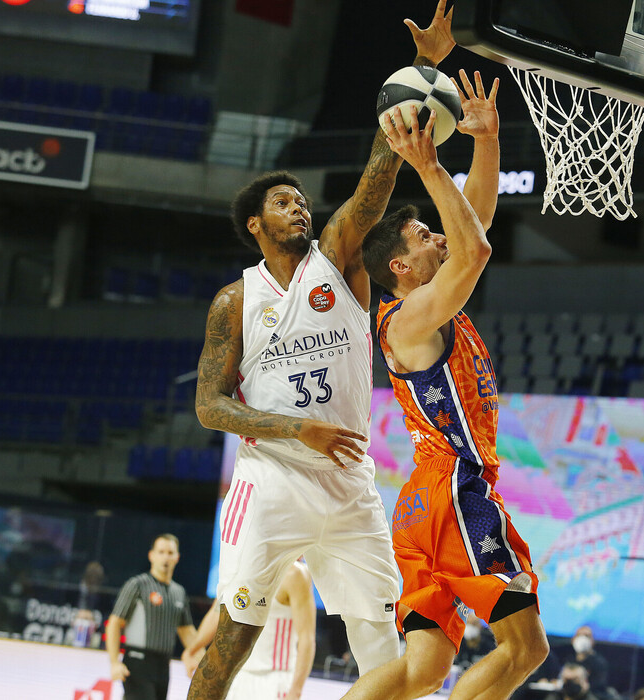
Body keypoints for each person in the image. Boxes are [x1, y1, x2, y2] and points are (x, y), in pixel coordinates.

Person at [187, 5, 456, 699]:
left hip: (347, 482)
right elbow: (209, 408)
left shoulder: (336, 257)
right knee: (232, 645)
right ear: (256, 224)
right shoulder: (234, 302)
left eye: (301, 198)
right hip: (273, 477)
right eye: (283, 201)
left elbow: (376, 178)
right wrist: (292, 428)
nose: (299, 206)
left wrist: (424, 73)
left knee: (380, 640)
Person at [339, 67, 550, 700]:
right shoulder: (409, 319)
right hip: (456, 494)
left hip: (426, 503)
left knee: (422, 671)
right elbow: (476, 249)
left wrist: (485, 141)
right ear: (400, 266)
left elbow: (472, 231)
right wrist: (428, 166)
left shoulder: (428, 305)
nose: (439, 236)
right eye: (423, 234)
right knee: (527, 647)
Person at [182, 561, 316, 700]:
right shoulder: (238, 565)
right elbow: (217, 612)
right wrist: (191, 650)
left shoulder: (294, 573)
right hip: (236, 676)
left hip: (273, 679)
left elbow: (307, 638)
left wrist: (296, 691)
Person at [106, 534, 198, 700]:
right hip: (137, 662)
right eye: (161, 552)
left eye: (170, 553)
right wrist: (114, 662)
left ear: (177, 557)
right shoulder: (137, 585)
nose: (166, 557)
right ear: (151, 555)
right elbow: (114, 623)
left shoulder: (179, 593)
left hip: (163, 666)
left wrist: (204, 661)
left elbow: (187, 632)